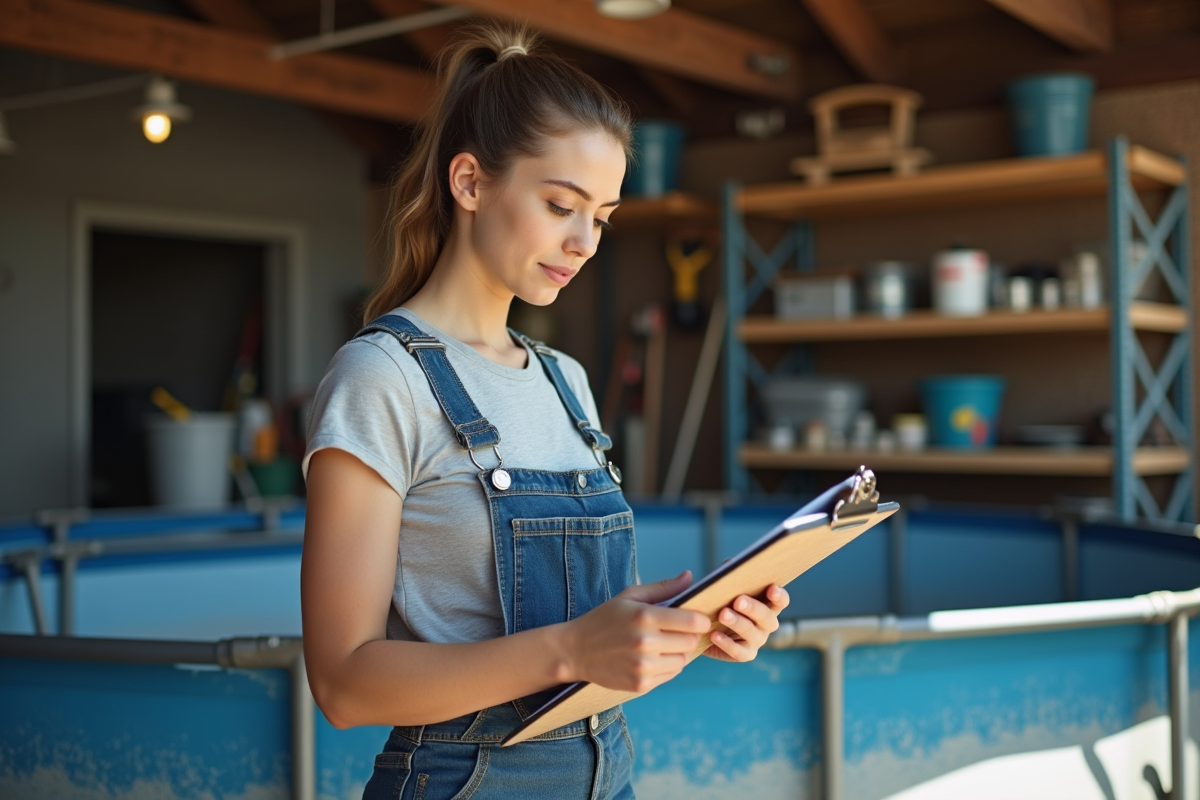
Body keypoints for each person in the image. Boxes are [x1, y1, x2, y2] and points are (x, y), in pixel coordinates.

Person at [300, 23, 790, 800]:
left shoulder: (567, 380)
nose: (584, 241)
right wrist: (572, 649)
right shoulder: (379, 378)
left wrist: (681, 631)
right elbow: (344, 683)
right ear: (469, 183)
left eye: (601, 216)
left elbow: (590, 640)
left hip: (609, 773)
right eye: (561, 204)